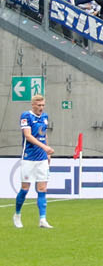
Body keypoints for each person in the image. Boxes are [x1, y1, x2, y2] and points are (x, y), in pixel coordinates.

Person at [15, 94, 54, 229]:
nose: (41, 108)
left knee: (42, 188)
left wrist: (47, 153)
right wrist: (44, 147)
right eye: (39, 105)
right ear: (33, 105)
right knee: (25, 188)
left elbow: (44, 134)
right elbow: (28, 135)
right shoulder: (26, 116)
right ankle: (17, 215)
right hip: (28, 157)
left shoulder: (45, 117)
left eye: (43, 105)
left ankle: (42, 219)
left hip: (42, 158)